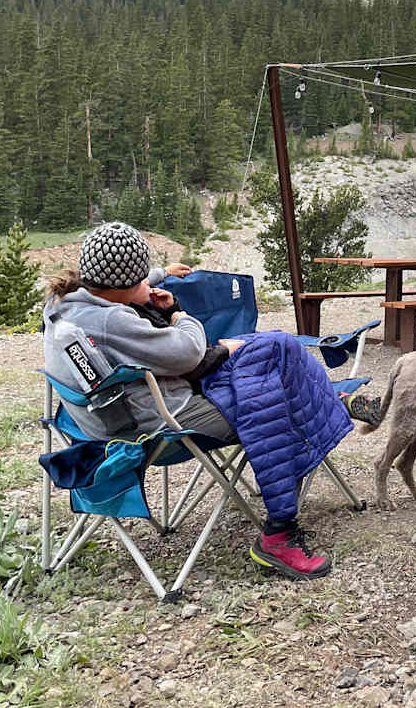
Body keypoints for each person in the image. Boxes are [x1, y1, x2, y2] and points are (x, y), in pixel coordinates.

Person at [43, 221, 337, 580]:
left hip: (101, 419)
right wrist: (178, 315)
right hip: (162, 422)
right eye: (141, 282)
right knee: (269, 395)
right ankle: (279, 532)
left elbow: (121, 281)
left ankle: (329, 400)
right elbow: (188, 353)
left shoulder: (64, 304)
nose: (147, 286)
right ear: (118, 287)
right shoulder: (110, 320)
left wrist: (158, 275)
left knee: (271, 347)